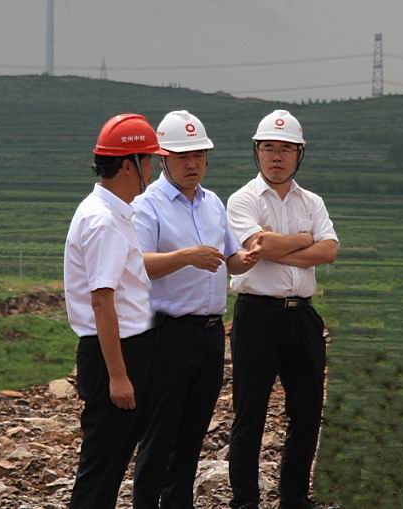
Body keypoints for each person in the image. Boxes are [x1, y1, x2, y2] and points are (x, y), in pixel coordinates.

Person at [131, 110, 262, 509]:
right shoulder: (147, 205)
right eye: (183, 156)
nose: (193, 164)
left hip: (209, 333)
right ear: (163, 158)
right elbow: (135, 264)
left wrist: (248, 258)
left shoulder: (213, 203)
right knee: (159, 433)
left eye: (199, 156)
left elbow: (229, 259)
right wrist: (186, 256)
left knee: (192, 433)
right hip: (167, 332)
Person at [226, 110, 339, 509]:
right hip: (257, 315)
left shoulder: (312, 201)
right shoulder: (242, 199)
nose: (277, 156)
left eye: (286, 149)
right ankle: (245, 501)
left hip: (302, 315)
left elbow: (329, 250)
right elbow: (259, 246)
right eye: (269, 148)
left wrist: (281, 248)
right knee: (250, 413)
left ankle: (294, 498)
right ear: (256, 151)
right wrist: (304, 241)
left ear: (299, 154)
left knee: (306, 412)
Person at [64, 113, 168, 509]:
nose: (152, 170)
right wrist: (119, 376)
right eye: (148, 161)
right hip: (113, 352)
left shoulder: (114, 212)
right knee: (101, 469)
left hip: (125, 347)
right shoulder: (104, 221)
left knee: (110, 463)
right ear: (129, 165)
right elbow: (102, 301)